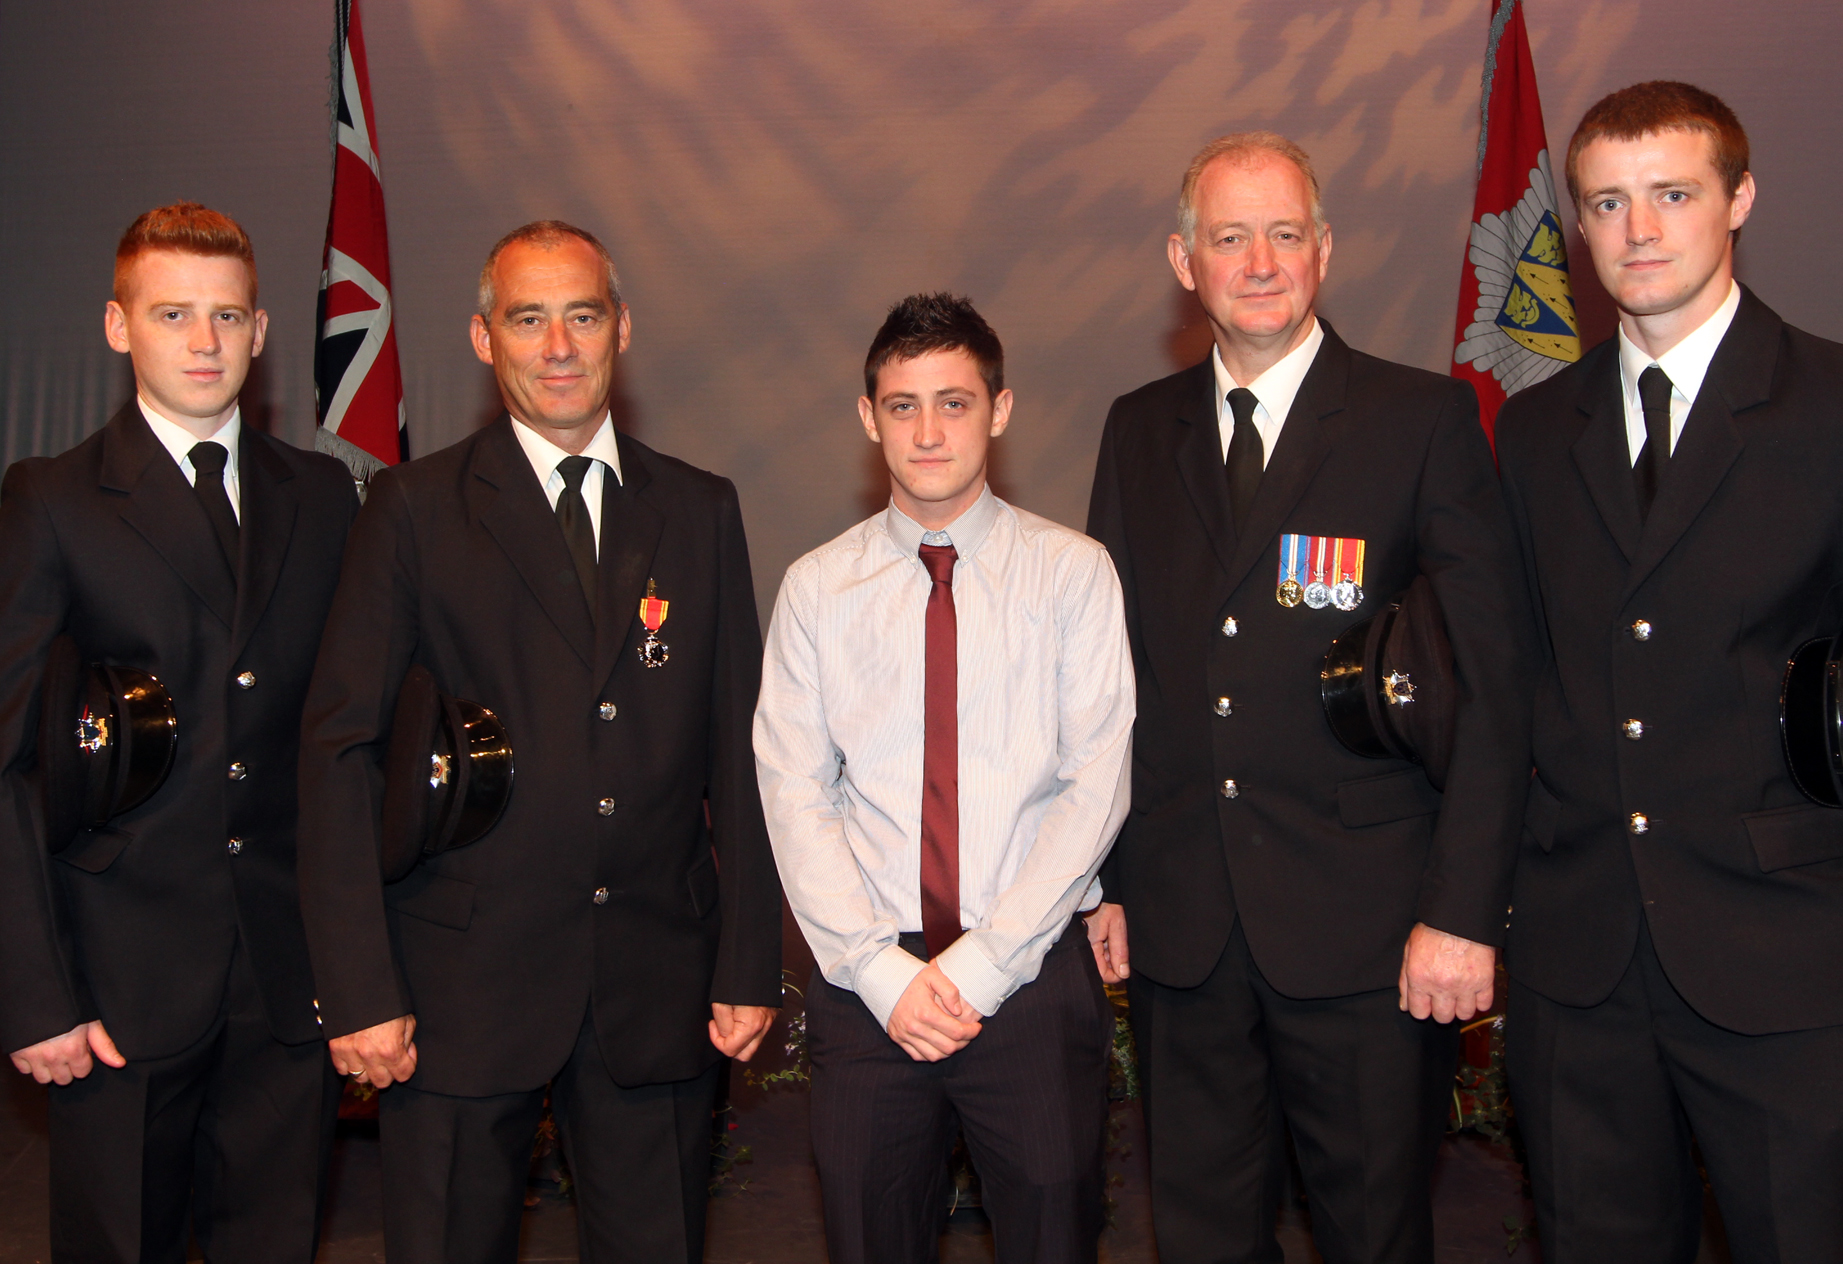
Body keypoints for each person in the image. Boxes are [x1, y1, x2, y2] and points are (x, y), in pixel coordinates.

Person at [1084, 134, 1535, 1263]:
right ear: (1183, 261)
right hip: (1184, 926)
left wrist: (1462, 911)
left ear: (1323, 249)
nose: (1259, 262)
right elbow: (1109, 683)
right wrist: (1106, 879)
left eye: (1284, 233)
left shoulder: (1417, 420)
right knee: (1201, 1239)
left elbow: (1493, 685)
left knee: (1374, 1235)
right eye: (1229, 237)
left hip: (1370, 933)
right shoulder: (1137, 429)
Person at [296, 220, 783, 1264]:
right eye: (527, 319)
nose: (558, 346)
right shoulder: (412, 510)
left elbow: (741, 756)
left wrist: (748, 961)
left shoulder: (699, 508)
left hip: (655, 982)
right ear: (484, 339)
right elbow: (341, 754)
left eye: (582, 316)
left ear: (622, 330)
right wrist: (360, 987)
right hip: (457, 990)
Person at [1495, 81, 1843, 1261]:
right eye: (1606, 203)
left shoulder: (1830, 405)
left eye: (1672, 195)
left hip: (1784, 949)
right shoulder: (1533, 432)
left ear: (1738, 200)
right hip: (1579, 961)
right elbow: (1513, 682)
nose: (1637, 229)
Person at [0, 202, 357, 1262]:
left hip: (286, 982)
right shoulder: (52, 501)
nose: (204, 341)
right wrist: (34, 996)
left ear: (260, 331)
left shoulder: (323, 495)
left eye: (227, 315)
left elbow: (344, 742)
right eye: (172, 313)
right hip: (115, 990)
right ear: (119, 327)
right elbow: (7, 766)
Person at [754, 293, 1135, 1264]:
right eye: (902, 405)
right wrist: (881, 973)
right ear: (867, 417)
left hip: (1030, 979)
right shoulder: (815, 589)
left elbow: (1095, 785)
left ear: (999, 411)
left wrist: (981, 965)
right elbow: (793, 794)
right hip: (865, 988)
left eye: (954, 403)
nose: (927, 432)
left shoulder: (1074, 573)